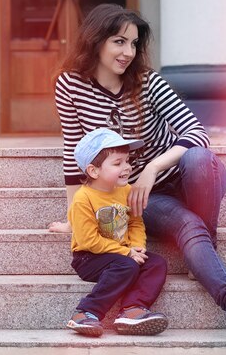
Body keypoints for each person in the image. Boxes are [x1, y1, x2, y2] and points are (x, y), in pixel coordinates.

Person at [49, 3, 226, 342]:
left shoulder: (148, 82)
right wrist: (74, 215)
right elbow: (73, 154)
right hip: (140, 197)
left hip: (184, 177)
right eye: (119, 42)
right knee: (187, 224)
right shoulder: (70, 85)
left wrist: (153, 166)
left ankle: (204, 245)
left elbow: (197, 133)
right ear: (96, 40)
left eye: (134, 43)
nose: (128, 52)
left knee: (200, 159)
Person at [66, 127, 168, 337]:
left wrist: (137, 247)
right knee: (127, 265)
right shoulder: (83, 199)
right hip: (89, 258)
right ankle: (86, 312)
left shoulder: (127, 190)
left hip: (122, 254)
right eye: (117, 163)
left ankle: (132, 310)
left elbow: (135, 222)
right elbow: (88, 240)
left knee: (157, 263)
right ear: (94, 171)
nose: (127, 167)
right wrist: (126, 253)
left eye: (127, 161)